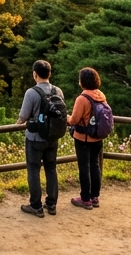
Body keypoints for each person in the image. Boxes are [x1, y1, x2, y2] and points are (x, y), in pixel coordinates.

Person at [16, 59, 63, 217]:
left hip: (35, 138)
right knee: (51, 169)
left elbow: (23, 116)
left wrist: (18, 123)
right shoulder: (58, 91)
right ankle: (51, 204)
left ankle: (35, 206)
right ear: (49, 74)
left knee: (33, 170)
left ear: (35, 74)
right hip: (53, 137)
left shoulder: (31, 92)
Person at [68, 67, 106, 209]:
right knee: (95, 165)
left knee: (84, 167)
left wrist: (66, 117)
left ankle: (85, 199)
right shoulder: (100, 95)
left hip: (83, 138)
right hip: (97, 137)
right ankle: (94, 197)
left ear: (82, 82)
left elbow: (74, 120)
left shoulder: (82, 98)